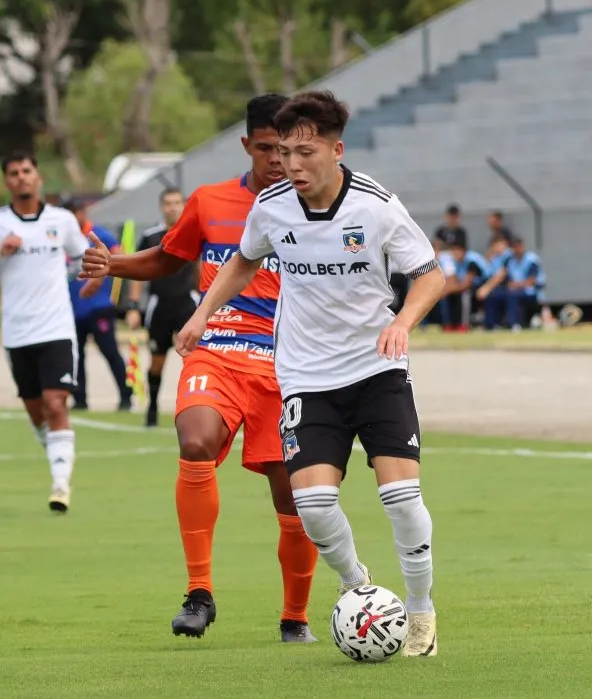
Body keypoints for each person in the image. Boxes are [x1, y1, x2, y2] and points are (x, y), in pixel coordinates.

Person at [177, 89, 446, 658]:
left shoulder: (375, 206)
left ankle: (420, 612)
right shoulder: (271, 207)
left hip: (376, 371)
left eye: (305, 152)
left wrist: (403, 321)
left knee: (399, 495)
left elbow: (429, 275)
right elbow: (244, 261)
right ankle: (359, 587)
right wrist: (202, 315)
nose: (291, 165)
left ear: (336, 149)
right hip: (306, 377)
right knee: (315, 507)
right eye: (284, 153)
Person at [82, 94, 320, 644]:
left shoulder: (319, 207)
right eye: (266, 149)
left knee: (296, 496)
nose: (277, 162)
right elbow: (170, 256)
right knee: (194, 442)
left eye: (286, 151)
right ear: (247, 145)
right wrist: (114, 262)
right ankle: (199, 593)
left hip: (289, 366)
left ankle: (295, 617)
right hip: (217, 350)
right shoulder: (210, 201)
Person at [0, 151, 96, 513]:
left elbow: (86, 257)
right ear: (7, 181)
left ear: (38, 178)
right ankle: (56, 457)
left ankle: (60, 485)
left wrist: (93, 280)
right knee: (36, 412)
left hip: (56, 328)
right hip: (17, 333)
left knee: (56, 403)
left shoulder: (61, 220)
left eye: (27, 171)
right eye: (14, 172)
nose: (21, 177)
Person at [125, 186, 197, 427]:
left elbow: (205, 267)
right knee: (157, 362)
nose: (173, 207)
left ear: (184, 205)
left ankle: (192, 411)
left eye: (177, 202)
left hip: (189, 305)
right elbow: (137, 270)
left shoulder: (196, 232)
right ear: (161, 207)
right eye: (168, 203)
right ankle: (152, 407)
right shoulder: (151, 236)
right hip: (160, 307)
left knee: (195, 361)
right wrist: (134, 306)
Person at [63, 196, 131, 412]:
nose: (73, 217)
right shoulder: (63, 239)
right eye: (69, 213)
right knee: (76, 356)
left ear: (83, 212)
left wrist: (102, 277)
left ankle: (126, 396)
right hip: (73, 308)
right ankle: (80, 399)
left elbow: (120, 257)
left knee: (110, 351)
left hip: (98, 306)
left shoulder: (98, 235)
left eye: (76, 211)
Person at [478, 236, 545, 330]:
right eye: (514, 247)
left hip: (531, 291)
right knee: (493, 295)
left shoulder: (531, 259)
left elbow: (531, 281)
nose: (516, 250)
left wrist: (516, 285)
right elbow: (501, 274)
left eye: (518, 247)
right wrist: (487, 288)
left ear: (522, 247)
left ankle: (514, 324)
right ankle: (491, 325)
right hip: (513, 289)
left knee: (512, 295)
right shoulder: (509, 259)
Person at [443, 240, 492, 330]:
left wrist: (447, 290)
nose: (454, 254)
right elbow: (454, 280)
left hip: (485, 285)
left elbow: (466, 284)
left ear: (463, 251)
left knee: (465, 294)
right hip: (471, 286)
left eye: (456, 251)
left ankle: (464, 325)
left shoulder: (471, 261)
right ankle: (450, 324)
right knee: (450, 295)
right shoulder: (456, 261)